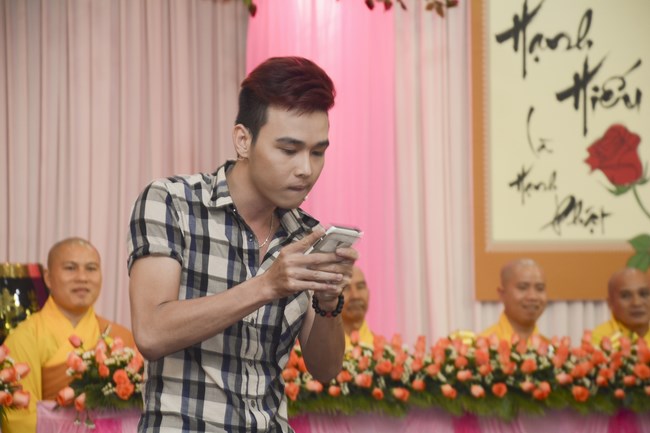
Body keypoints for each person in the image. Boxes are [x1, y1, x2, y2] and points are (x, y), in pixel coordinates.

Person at [127, 56, 358, 432]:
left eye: (318, 152)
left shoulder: (306, 235)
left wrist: (328, 303)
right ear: (243, 140)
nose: (306, 169)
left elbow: (326, 369)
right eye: (289, 150)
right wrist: (267, 286)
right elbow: (151, 332)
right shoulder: (172, 202)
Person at [1, 237, 135, 433]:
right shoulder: (25, 338)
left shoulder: (120, 337)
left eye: (91, 268)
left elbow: (134, 412)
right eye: (71, 268)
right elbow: (19, 418)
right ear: (48, 278)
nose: (82, 277)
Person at [481, 258, 547, 343]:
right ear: (502, 294)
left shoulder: (552, 348)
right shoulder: (482, 346)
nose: (533, 296)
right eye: (522, 287)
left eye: (540, 288)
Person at [592, 267, 650, 345]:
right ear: (610, 303)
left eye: (644, 294)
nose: (637, 303)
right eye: (626, 296)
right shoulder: (600, 341)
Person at [341, 266, 374, 349]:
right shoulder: (319, 351)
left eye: (360, 287)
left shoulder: (386, 353)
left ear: (368, 292)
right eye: (346, 288)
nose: (355, 296)